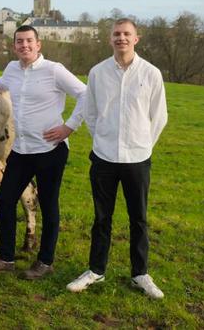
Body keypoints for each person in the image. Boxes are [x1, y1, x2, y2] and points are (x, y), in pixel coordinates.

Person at [0, 25, 86, 280]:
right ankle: (6, 258)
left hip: (50, 151)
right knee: (6, 200)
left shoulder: (54, 70)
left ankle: (45, 262)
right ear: (14, 46)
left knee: (49, 205)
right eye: (19, 42)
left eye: (29, 41)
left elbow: (85, 94)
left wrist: (69, 127)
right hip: (20, 150)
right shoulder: (12, 69)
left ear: (38, 44)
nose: (24, 46)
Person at [65, 18, 168, 299]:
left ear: (136, 38)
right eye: (116, 34)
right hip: (104, 158)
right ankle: (96, 270)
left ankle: (140, 274)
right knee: (101, 218)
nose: (121, 38)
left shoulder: (151, 73)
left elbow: (159, 117)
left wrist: (143, 144)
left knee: (139, 219)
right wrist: (103, 139)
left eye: (126, 34)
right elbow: (92, 111)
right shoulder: (98, 72)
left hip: (138, 157)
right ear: (110, 39)